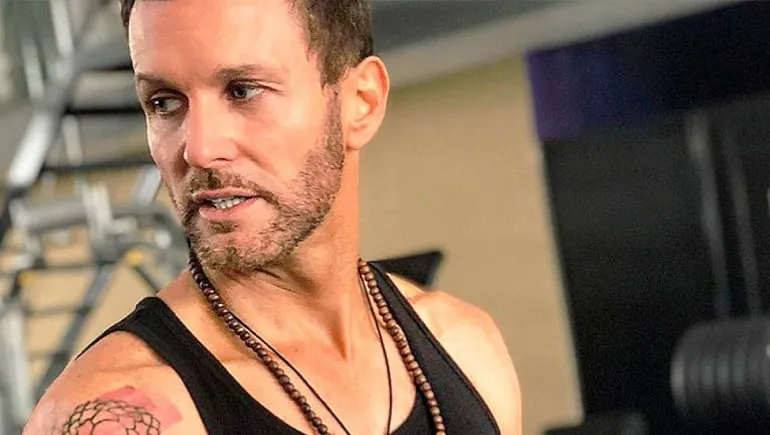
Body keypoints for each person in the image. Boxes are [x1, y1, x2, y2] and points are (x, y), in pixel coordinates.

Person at [24, 0, 522, 433]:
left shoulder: (464, 347)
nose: (199, 149)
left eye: (242, 90)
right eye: (165, 102)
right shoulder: (116, 412)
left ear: (361, 102)